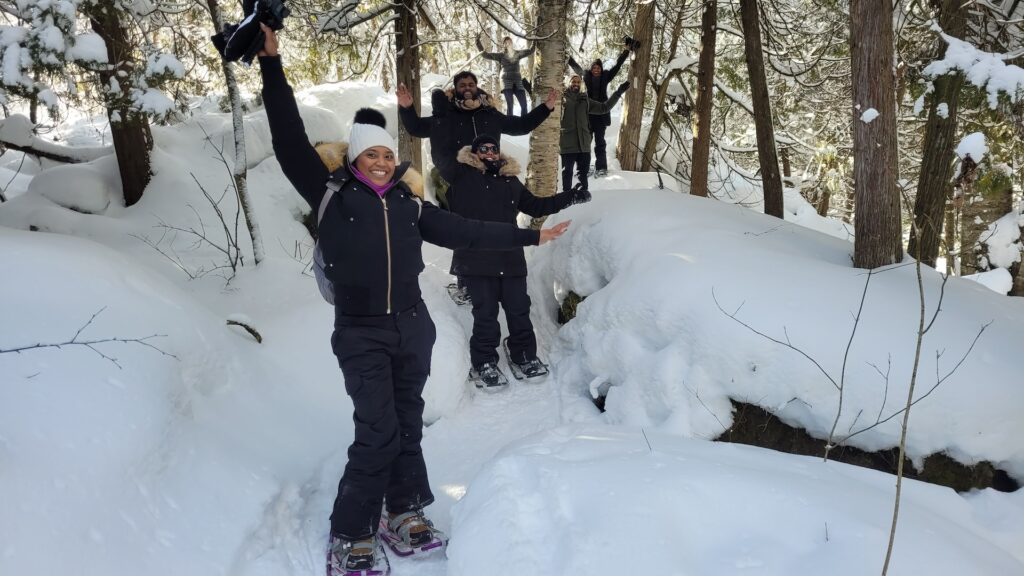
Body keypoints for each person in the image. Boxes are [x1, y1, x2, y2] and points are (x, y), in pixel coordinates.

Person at [255, 25, 570, 576]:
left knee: (407, 424)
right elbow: (286, 136)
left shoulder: (408, 204)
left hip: (411, 328)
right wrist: (272, 65)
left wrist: (530, 235)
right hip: (361, 332)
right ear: (354, 159)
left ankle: (403, 510)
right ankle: (352, 531)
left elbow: (466, 230)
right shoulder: (330, 195)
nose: (380, 161)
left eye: (386, 154)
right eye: (369, 154)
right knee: (376, 431)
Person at [436, 133, 590, 390]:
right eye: (483, 149)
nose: (489, 152)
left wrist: (569, 197)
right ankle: (484, 362)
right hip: (476, 258)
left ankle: (524, 354)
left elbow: (536, 206)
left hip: (510, 257)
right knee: (485, 314)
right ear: (474, 153)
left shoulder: (510, 181)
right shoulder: (461, 176)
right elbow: (441, 152)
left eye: (493, 148)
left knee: (519, 309)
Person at [397, 72, 559, 306]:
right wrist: (406, 108)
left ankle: (502, 276)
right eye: (462, 84)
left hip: (493, 178)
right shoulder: (447, 114)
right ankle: (466, 283)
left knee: (501, 223)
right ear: (455, 89)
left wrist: (546, 108)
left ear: (477, 87)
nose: (467, 87)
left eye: (471, 84)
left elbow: (521, 125)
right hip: (462, 180)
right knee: (464, 227)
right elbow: (417, 128)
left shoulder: (489, 114)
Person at [567, 38, 637, 177]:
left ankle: (601, 167)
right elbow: (576, 67)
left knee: (600, 142)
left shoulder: (606, 76)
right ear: (591, 69)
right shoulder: (585, 76)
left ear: (601, 69)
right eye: (594, 68)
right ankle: (583, 167)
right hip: (587, 116)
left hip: (601, 115)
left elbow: (617, 66)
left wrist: (626, 51)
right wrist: (567, 57)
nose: (596, 70)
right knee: (585, 143)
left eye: (598, 68)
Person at [560, 74, 629, 193]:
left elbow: (604, 108)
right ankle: (566, 200)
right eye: (573, 81)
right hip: (567, 145)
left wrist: (618, 93)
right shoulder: (562, 99)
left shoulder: (585, 100)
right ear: (568, 83)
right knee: (567, 175)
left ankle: (583, 198)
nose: (576, 84)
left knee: (583, 177)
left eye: (578, 82)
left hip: (584, 146)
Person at [476, 34, 535, 117]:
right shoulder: (501, 55)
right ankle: (510, 123)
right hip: (506, 80)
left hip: (517, 80)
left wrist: (535, 38)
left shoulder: (518, 53)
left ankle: (524, 122)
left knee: (524, 104)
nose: (508, 44)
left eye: (510, 42)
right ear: (504, 45)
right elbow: (485, 55)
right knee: (510, 104)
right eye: (506, 42)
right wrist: (478, 42)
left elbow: (531, 50)